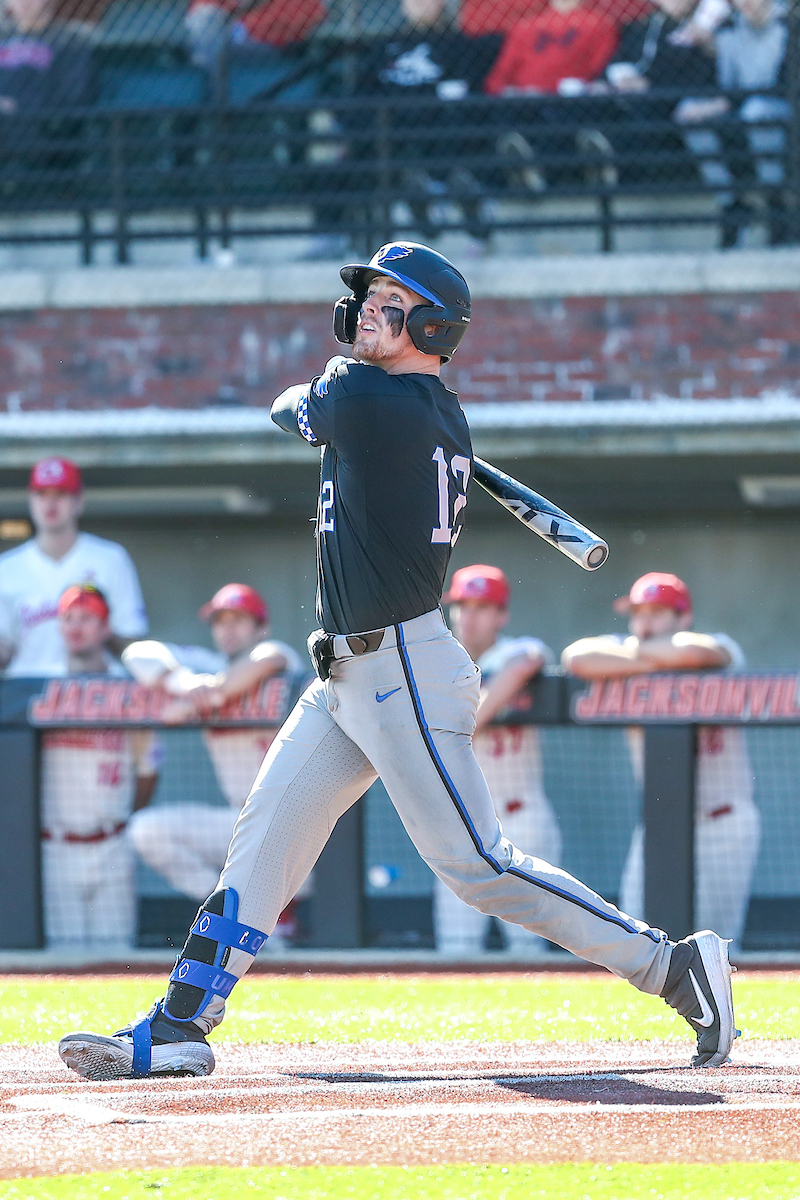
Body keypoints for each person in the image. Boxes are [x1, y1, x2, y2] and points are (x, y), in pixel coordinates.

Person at [58, 242, 737, 1083]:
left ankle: (672, 967)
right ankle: (180, 1024)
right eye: (368, 298)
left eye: (389, 302)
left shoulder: (363, 395)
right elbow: (308, 412)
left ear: (431, 324)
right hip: (346, 675)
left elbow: (286, 409)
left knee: (477, 867)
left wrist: (334, 389)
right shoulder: (426, 410)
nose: (367, 314)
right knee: (261, 850)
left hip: (403, 667)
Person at [561, 571, 760, 948]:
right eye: (639, 612)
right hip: (660, 826)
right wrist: (652, 661)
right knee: (637, 937)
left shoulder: (719, 645)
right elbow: (576, 657)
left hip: (724, 822)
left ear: (683, 618)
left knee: (717, 944)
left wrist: (632, 661)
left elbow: (694, 653)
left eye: (657, 612)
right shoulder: (625, 649)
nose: (645, 622)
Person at [124, 582, 305, 945]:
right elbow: (137, 653)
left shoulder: (278, 657)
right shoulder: (206, 671)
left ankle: (277, 916)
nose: (228, 629)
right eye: (220, 621)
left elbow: (266, 661)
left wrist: (200, 701)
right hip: (238, 823)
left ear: (260, 627)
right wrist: (185, 684)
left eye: (239, 620)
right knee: (145, 829)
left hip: (298, 827)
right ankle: (229, 912)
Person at [437, 563, 562, 956]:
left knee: (529, 951)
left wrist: (469, 723)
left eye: (481, 607)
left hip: (522, 818)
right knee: (455, 950)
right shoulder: (438, 662)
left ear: (501, 615)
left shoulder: (514, 652)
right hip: (462, 827)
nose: (469, 617)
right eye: (462, 605)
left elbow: (530, 659)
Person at [40, 584, 160, 951]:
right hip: (53, 845)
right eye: (69, 618)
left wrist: (123, 820)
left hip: (112, 843)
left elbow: (149, 771)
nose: (76, 626)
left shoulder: (130, 688)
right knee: (58, 966)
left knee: (118, 958)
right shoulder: (40, 687)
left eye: (88, 618)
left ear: (105, 628)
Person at [0, 457, 148, 678]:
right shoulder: (7, 567)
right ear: (31, 500)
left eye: (60, 494)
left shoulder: (110, 558)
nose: (50, 504)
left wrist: (96, 628)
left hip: (95, 691)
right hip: (27, 693)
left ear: (79, 501)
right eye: (42, 494)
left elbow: (132, 641)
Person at [673, 0, 790, 247]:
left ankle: (775, 203)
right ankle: (731, 203)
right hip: (737, 105)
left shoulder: (789, 24)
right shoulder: (728, 27)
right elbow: (724, 82)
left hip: (779, 107)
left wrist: (726, 102)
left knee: (757, 110)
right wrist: (704, 42)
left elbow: (781, 83)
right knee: (687, 113)